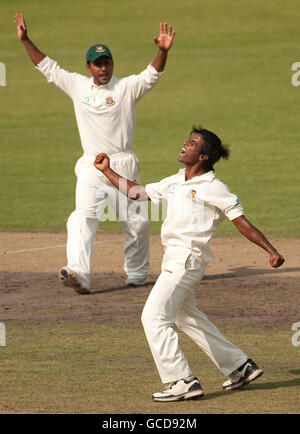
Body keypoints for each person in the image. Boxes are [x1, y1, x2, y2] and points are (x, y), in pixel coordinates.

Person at [93, 126, 285, 402]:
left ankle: (182, 380)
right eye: (188, 139)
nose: (185, 144)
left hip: (186, 259)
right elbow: (137, 192)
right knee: (187, 317)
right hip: (175, 257)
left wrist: (271, 250)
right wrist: (106, 170)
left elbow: (241, 221)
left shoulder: (214, 188)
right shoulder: (176, 180)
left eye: (193, 143)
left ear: (204, 156)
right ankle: (240, 367)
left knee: (153, 317)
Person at [14, 13, 175, 294]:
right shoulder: (77, 85)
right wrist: (26, 40)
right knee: (81, 217)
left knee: (136, 223)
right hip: (91, 165)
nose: (104, 68)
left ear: (112, 64)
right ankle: (79, 274)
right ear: (88, 67)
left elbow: (152, 74)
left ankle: (136, 274)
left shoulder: (125, 88)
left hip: (122, 163)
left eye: (107, 63)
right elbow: (47, 67)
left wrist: (161, 51)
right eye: (98, 64)